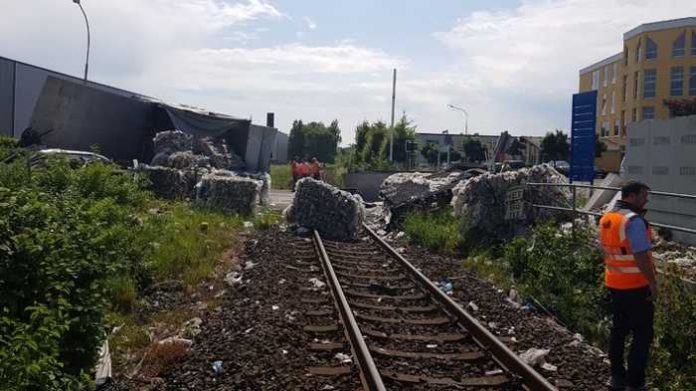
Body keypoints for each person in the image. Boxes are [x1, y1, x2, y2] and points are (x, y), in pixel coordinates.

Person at [599, 180, 657, 391]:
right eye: (643, 195)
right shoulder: (633, 221)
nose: (646, 200)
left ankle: (616, 376)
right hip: (635, 286)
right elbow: (640, 255)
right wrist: (652, 282)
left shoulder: (608, 217)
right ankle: (635, 382)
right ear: (630, 196)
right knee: (643, 334)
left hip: (614, 283)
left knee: (618, 331)